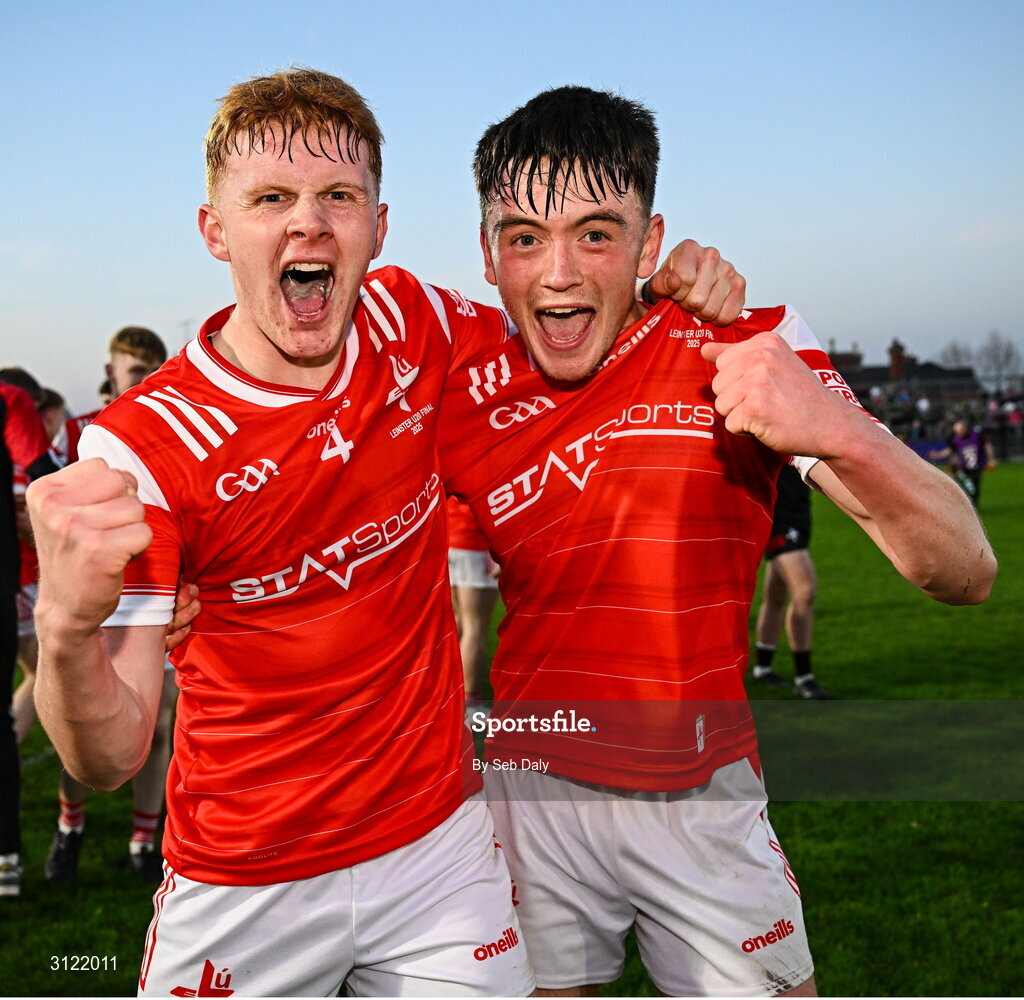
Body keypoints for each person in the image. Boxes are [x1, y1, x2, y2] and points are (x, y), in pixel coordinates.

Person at [27, 68, 740, 996]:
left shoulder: (414, 323)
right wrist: (64, 631)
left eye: (339, 197)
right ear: (215, 231)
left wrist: (658, 293)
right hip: (247, 876)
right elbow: (113, 755)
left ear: (378, 225)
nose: (309, 224)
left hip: (439, 849)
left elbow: (564, 331)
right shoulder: (146, 448)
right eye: (271, 198)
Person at [436, 86, 996, 997]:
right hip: (530, 790)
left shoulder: (745, 341)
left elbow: (965, 570)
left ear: (652, 244)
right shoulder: (460, 382)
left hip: (702, 794)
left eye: (597, 232)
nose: (561, 273)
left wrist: (838, 430)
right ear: (488, 255)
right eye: (524, 237)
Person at [41, 326, 179, 885]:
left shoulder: (174, 428)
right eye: (131, 372)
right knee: (83, 728)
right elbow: (42, 510)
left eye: (150, 373)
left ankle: (145, 838)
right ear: (110, 373)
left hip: (158, 599)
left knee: (161, 724)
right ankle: (70, 827)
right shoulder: (76, 433)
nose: (140, 383)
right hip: (100, 601)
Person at [0, 377, 63, 897]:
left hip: (22, 576)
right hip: (20, 578)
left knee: (39, 675)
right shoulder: (9, 403)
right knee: (45, 678)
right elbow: (43, 491)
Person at [752, 463, 829, 699]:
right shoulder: (768, 430)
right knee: (805, 590)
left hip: (797, 515)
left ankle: (762, 668)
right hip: (779, 520)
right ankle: (804, 679)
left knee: (775, 596)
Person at [447, 496, 499, 712]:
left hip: (450, 537)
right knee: (474, 628)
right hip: (473, 542)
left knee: (457, 621)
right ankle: (469, 704)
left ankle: (447, 694)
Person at [929, 417, 996, 507]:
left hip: (977, 466)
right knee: (964, 487)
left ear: (964, 428)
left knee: (974, 488)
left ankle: (973, 507)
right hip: (964, 467)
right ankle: (965, 505)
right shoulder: (956, 440)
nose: (957, 433)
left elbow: (987, 445)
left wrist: (991, 458)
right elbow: (950, 451)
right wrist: (938, 455)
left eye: (959, 431)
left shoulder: (976, 435)